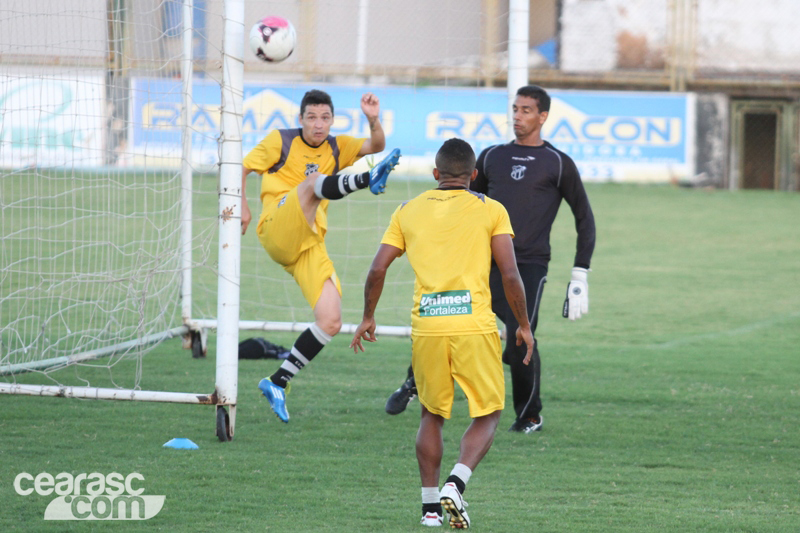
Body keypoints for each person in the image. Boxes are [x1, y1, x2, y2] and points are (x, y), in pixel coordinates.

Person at [385, 85, 596, 435]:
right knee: (444, 313)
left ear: (543, 116)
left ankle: (529, 416)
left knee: (520, 336)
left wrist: (580, 274)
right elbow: (460, 200)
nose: (518, 116)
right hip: (482, 260)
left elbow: (584, 218)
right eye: (515, 109)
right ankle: (414, 383)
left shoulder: (558, 163)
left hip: (527, 264)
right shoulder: (493, 156)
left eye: (526, 110)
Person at [350, 138, 533, 528]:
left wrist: (368, 317)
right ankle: (457, 481)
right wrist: (523, 324)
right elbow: (510, 273)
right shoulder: (491, 209)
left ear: (436, 173)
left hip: (428, 327)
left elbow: (378, 268)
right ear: (474, 175)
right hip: (473, 325)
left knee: (431, 414)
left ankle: (430, 509)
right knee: (489, 412)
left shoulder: (407, 210)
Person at [241, 89, 401, 423]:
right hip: (276, 225)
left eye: (325, 118)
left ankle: (278, 381)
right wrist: (241, 204)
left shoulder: (336, 146)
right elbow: (241, 168)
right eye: (312, 117)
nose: (318, 124)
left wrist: (373, 119)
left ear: (332, 120)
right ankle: (367, 179)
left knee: (331, 320)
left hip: (308, 243)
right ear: (300, 119)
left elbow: (377, 145)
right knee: (312, 182)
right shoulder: (280, 140)